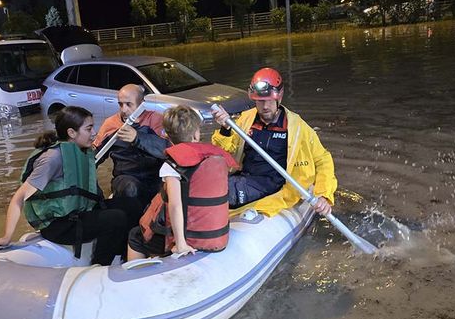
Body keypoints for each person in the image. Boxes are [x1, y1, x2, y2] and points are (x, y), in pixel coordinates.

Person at [0, 106, 139, 265]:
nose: (94, 133)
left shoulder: (80, 150)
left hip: (77, 212)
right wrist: (6, 236)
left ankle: (123, 257)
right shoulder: (52, 158)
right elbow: (18, 198)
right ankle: (101, 266)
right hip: (58, 225)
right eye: (89, 128)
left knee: (131, 205)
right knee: (116, 218)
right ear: (71, 133)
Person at [211, 67, 337, 217]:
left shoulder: (297, 127)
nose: (264, 107)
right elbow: (224, 154)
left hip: (272, 184)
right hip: (245, 177)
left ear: (279, 97)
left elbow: (322, 160)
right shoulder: (245, 120)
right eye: (260, 101)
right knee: (204, 184)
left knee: (223, 191)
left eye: (269, 101)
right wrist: (225, 129)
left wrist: (324, 195)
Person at [127, 105, 238, 260]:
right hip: (214, 235)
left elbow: (175, 205)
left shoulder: (172, 164)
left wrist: (180, 244)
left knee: (135, 236)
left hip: (186, 236)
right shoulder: (215, 158)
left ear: (167, 136)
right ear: (196, 134)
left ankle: (136, 277)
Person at [93, 84, 169, 207]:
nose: (123, 109)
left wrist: (138, 138)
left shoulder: (156, 120)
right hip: (126, 177)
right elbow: (95, 156)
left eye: (129, 104)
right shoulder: (111, 124)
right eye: (120, 104)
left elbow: (168, 149)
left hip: (155, 177)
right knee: (130, 187)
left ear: (141, 103)